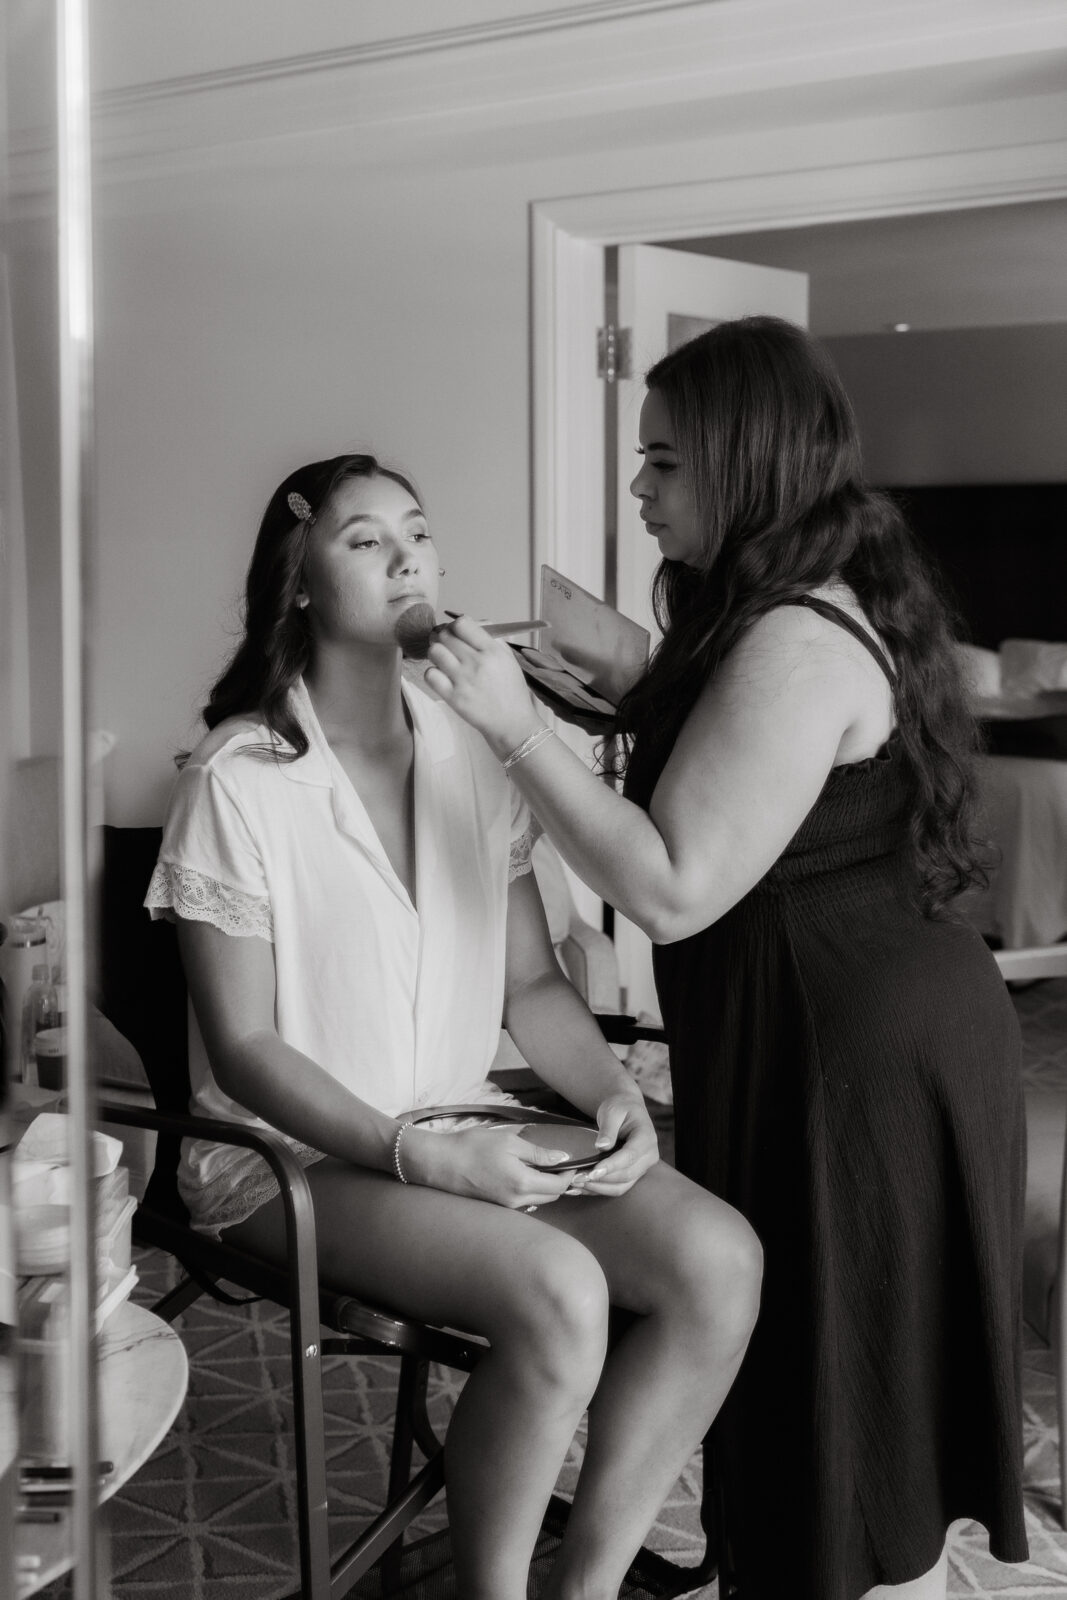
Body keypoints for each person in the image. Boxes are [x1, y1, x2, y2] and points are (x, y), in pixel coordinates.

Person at [425, 319, 1029, 1600]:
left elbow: (671, 887)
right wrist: (628, 667)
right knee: (809, 1367)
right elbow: (738, 754)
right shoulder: (770, 607)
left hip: (853, 1053)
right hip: (831, 1022)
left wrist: (514, 723)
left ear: (743, 466)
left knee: (836, 1380)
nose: (637, 491)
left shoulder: (798, 639)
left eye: (662, 464)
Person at [144, 452, 762, 1600]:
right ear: (298, 580)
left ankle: (581, 1584)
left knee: (718, 1260)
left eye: (417, 534)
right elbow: (244, 1049)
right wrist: (421, 1155)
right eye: (365, 539)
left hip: (453, 1119)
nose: (406, 556)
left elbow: (530, 984)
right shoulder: (238, 779)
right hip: (293, 1161)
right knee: (560, 1291)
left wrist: (609, 1095)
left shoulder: (473, 747)